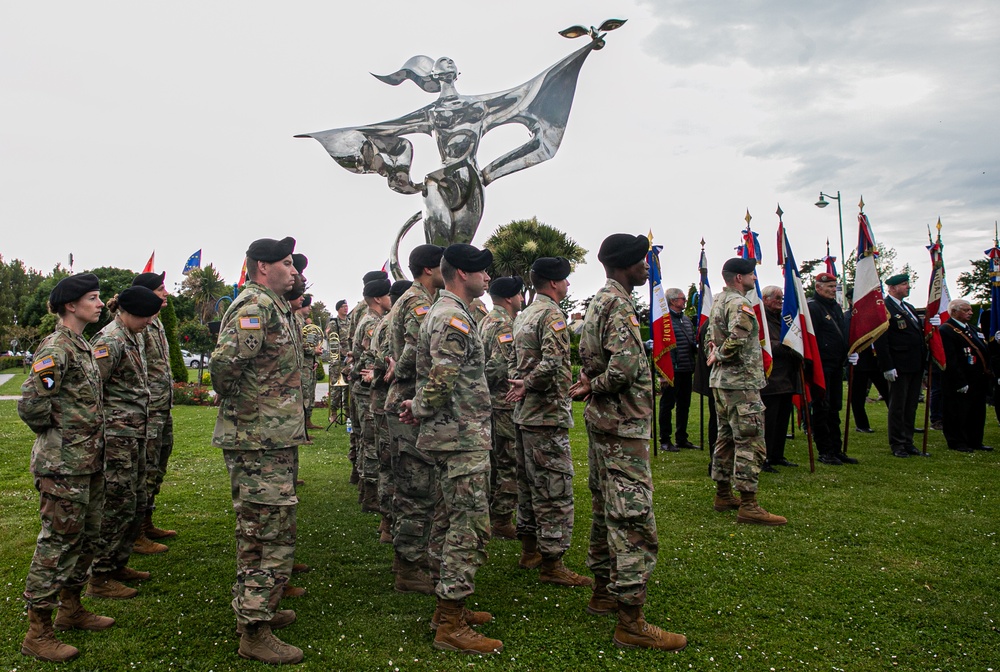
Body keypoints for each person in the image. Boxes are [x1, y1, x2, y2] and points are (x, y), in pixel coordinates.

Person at [571, 233, 686, 652]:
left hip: (607, 425)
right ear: (625, 265)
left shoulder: (599, 301)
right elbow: (622, 370)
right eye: (642, 261)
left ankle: (603, 592)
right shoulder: (617, 305)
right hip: (622, 426)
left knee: (606, 510)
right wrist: (593, 386)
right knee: (633, 518)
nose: (646, 267)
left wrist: (591, 384)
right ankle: (631, 620)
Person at [400, 243, 502, 655]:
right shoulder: (452, 317)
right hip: (460, 437)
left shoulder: (444, 312)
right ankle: (451, 620)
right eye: (482, 270)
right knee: (468, 526)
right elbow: (442, 377)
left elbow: (437, 377)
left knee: (448, 520)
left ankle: (446, 610)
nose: (488, 277)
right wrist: (421, 406)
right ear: (461, 272)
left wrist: (418, 406)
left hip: (454, 435)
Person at [210, 236, 305, 665]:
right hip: (258, 439)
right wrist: (247, 411)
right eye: (287, 263)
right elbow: (225, 366)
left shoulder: (274, 305)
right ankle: (253, 629)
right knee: (265, 532)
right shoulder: (256, 307)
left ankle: (256, 608)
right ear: (263, 268)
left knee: (267, 528)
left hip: (271, 436)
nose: (295, 270)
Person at [17, 274, 113, 662]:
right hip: (63, 466)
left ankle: (72, 608)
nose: (100, 303)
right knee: (57, 543)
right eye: (92, 298)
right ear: (71, 306)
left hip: (87, 462)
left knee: (86, 539)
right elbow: (30, 404)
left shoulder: (81, 344)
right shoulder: (56, 347)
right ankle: (38, 631)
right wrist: (59, 435)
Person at [508, 258, 591, 587]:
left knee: (528, 485)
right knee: (554, 488)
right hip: (545, 413)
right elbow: (554, 361)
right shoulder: (552, 314)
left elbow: (516, 361)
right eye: (566, 281)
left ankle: (530, 551)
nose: (568, 285)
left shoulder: (525, 313)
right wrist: (529, 383)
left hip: (526, 413)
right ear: (554, 283)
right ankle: (552, 563)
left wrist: (521, 384)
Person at [88, 286, 165, 600]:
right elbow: (91, 390)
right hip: (116, 438)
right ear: (127, 312)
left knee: (134, 500)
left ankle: (118, 564)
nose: (149, 322)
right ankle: (100, 577)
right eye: (145, 316)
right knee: (116, 504)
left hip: (136, 434)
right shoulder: (110, 341)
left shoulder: (132, 336)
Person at [706, 257, 786, 526]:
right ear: (738, 278)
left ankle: (723, 495)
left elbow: (709, 334)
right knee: (750, 441)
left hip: (722, 383)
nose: (754, 277)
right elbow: (738, 336)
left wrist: (714, 353)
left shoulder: (718, 300)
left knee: (726, 439)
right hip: (740, 382)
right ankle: (749, 504)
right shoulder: (740, 303)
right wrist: (721, 355)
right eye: (751, 274)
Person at [385, 245, 444, 595]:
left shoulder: (412, 297)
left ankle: (407, 560)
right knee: (416, 488)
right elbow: (411, 348)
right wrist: (401, 373)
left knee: (412, 485)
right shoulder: (418, 301)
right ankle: (409, 566)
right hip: (409, 402)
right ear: (427, 269)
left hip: (406, 401)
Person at [131, 272, 179, 543]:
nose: (166, 293)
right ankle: (136, 532)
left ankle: (147, 521)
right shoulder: (137, 326)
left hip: (162, 408)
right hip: (147, 411)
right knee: (145, 470)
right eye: (161, 289)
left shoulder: (156, 324)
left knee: (158, 466)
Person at [367, 278, 411, 543]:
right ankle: (388, 522)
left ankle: (387, 522)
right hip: (389, 401)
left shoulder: (386, 321)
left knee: (390, 464)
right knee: (393, 464)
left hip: (386, 401)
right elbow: (383, 361)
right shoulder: (392, 322)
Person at [478, 276, 522, 540]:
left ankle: (492, 513)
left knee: (494, 461)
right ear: (509, 298)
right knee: (509, 463)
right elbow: (499, 366)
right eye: (518, 294)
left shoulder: (485, 320)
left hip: (489, 404)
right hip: (502, 403)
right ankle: (502, 519)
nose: (521, 298)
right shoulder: (504, 324)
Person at [874, 273, 931, 458]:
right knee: (898, 406)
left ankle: (908, 441)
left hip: (915, 364)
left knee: (911, 405)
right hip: (898, 365)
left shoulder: (909, 308)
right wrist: (887, 366)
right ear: (891, 287)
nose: (908, 287)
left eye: (907, 284)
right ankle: (897, 443)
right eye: (904, 284)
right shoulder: (885, 308)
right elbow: (881, 341)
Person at [807, 273, 857, 465]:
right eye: (828, 286)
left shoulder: (835, 307)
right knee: (822, 407)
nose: (832, 290)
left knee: (834, 407)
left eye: (834, 286)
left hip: (836, 364)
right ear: (818, 287)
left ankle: (836, 448)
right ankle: (825, 450)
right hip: (822, 365)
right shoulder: (813, 307)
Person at [353, 277, 393, 514]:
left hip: (366, 390)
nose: (391, 300)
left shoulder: (373, 320)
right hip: (368, 390)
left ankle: (365, 491)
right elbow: (369, 359)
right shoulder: (372, 323)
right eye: (388, 296)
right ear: (378, 298)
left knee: (367, 441)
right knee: (370, 444)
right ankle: (370, 496)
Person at [939, 299, 991, 452]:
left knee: (976, 412)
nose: (970, 312)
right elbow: (950, 359)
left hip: (977, 378)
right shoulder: (947, 330)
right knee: (957, 412)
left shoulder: (973, 329)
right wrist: (959, 381)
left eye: (970, 309)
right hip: (960, 379)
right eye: (966, 310)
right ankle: (957, 442)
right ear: (954, 312)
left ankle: (975, 440)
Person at [760, 285, 799, 469]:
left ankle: (777, 454)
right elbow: (764, 345)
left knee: (783, 419)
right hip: (771, 378)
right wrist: (786, 345)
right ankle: (764, 457)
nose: (780, 301)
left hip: (787, 376)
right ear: (765, 299)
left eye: (782, 298)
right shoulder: (760, 318)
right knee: (769, 421)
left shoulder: (784, 318)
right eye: (776, 298)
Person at [659, 288, 699, 452]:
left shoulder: (686, 320)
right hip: (671, 371)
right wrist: (660, 375)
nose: (685, 301)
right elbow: (661, 347)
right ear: (673, 301)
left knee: (684, 405)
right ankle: (665, 439)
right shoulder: (665, 321)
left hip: (686, 368)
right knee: (667, 405)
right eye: (682, 299)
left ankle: (681, 438)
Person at [300, 297, 325, 431]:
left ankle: (308, 420)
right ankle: (303, 425)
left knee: (310, 394)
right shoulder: (299, 324)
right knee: (304, 394)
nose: (310, 308)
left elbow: (313, 344)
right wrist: (313, 351)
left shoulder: (307, 325)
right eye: (308, 306)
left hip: (310, 364)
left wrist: (315, 359)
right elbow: (301, 346)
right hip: (303, 364)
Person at [326, 299, 351, 413]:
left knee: (348, 387)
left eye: (346, 306)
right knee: (336, 388)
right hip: (338, 360)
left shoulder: (350, 322)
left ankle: (347, 411)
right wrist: (342, 353)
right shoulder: (334, 323)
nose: (346, 308)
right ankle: (333, 412)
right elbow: (333, 341)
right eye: (343, 306)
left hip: (349, 360)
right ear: (338, 309)